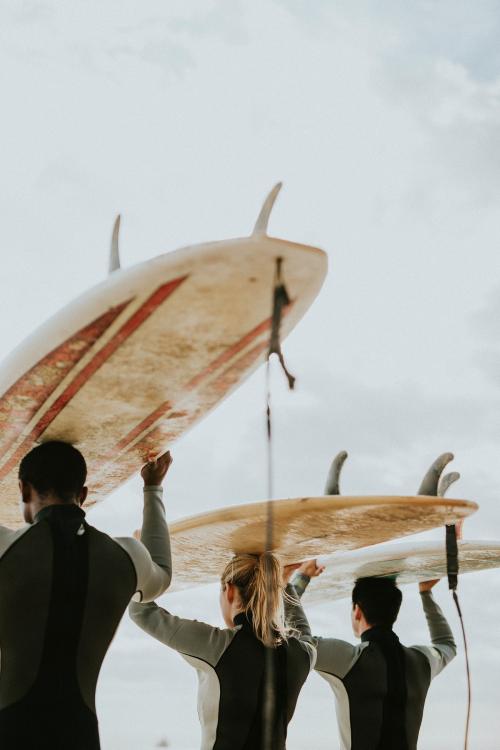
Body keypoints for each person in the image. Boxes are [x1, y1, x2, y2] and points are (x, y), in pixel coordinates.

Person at [0, 440, 173, 750]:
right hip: (80, 734)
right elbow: (162, 572)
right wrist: (152, 488)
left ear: (24, 489)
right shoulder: (126, 557)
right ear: (83, 495)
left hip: (11, 732)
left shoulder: (5, 548)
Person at [130, 548, 317, 749]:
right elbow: (303, 632)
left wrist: (142, 553)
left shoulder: (216, 646)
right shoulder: (301, 655)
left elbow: (140, 610)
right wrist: (287, 584)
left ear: (229, 590)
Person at [292, 562, 456, 750]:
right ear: (394, 612)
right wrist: (426, 593)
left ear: (357, 611)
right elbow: (446, 644)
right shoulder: (422, 661)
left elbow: (299, 642)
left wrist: (300, 578)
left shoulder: (350, 661)